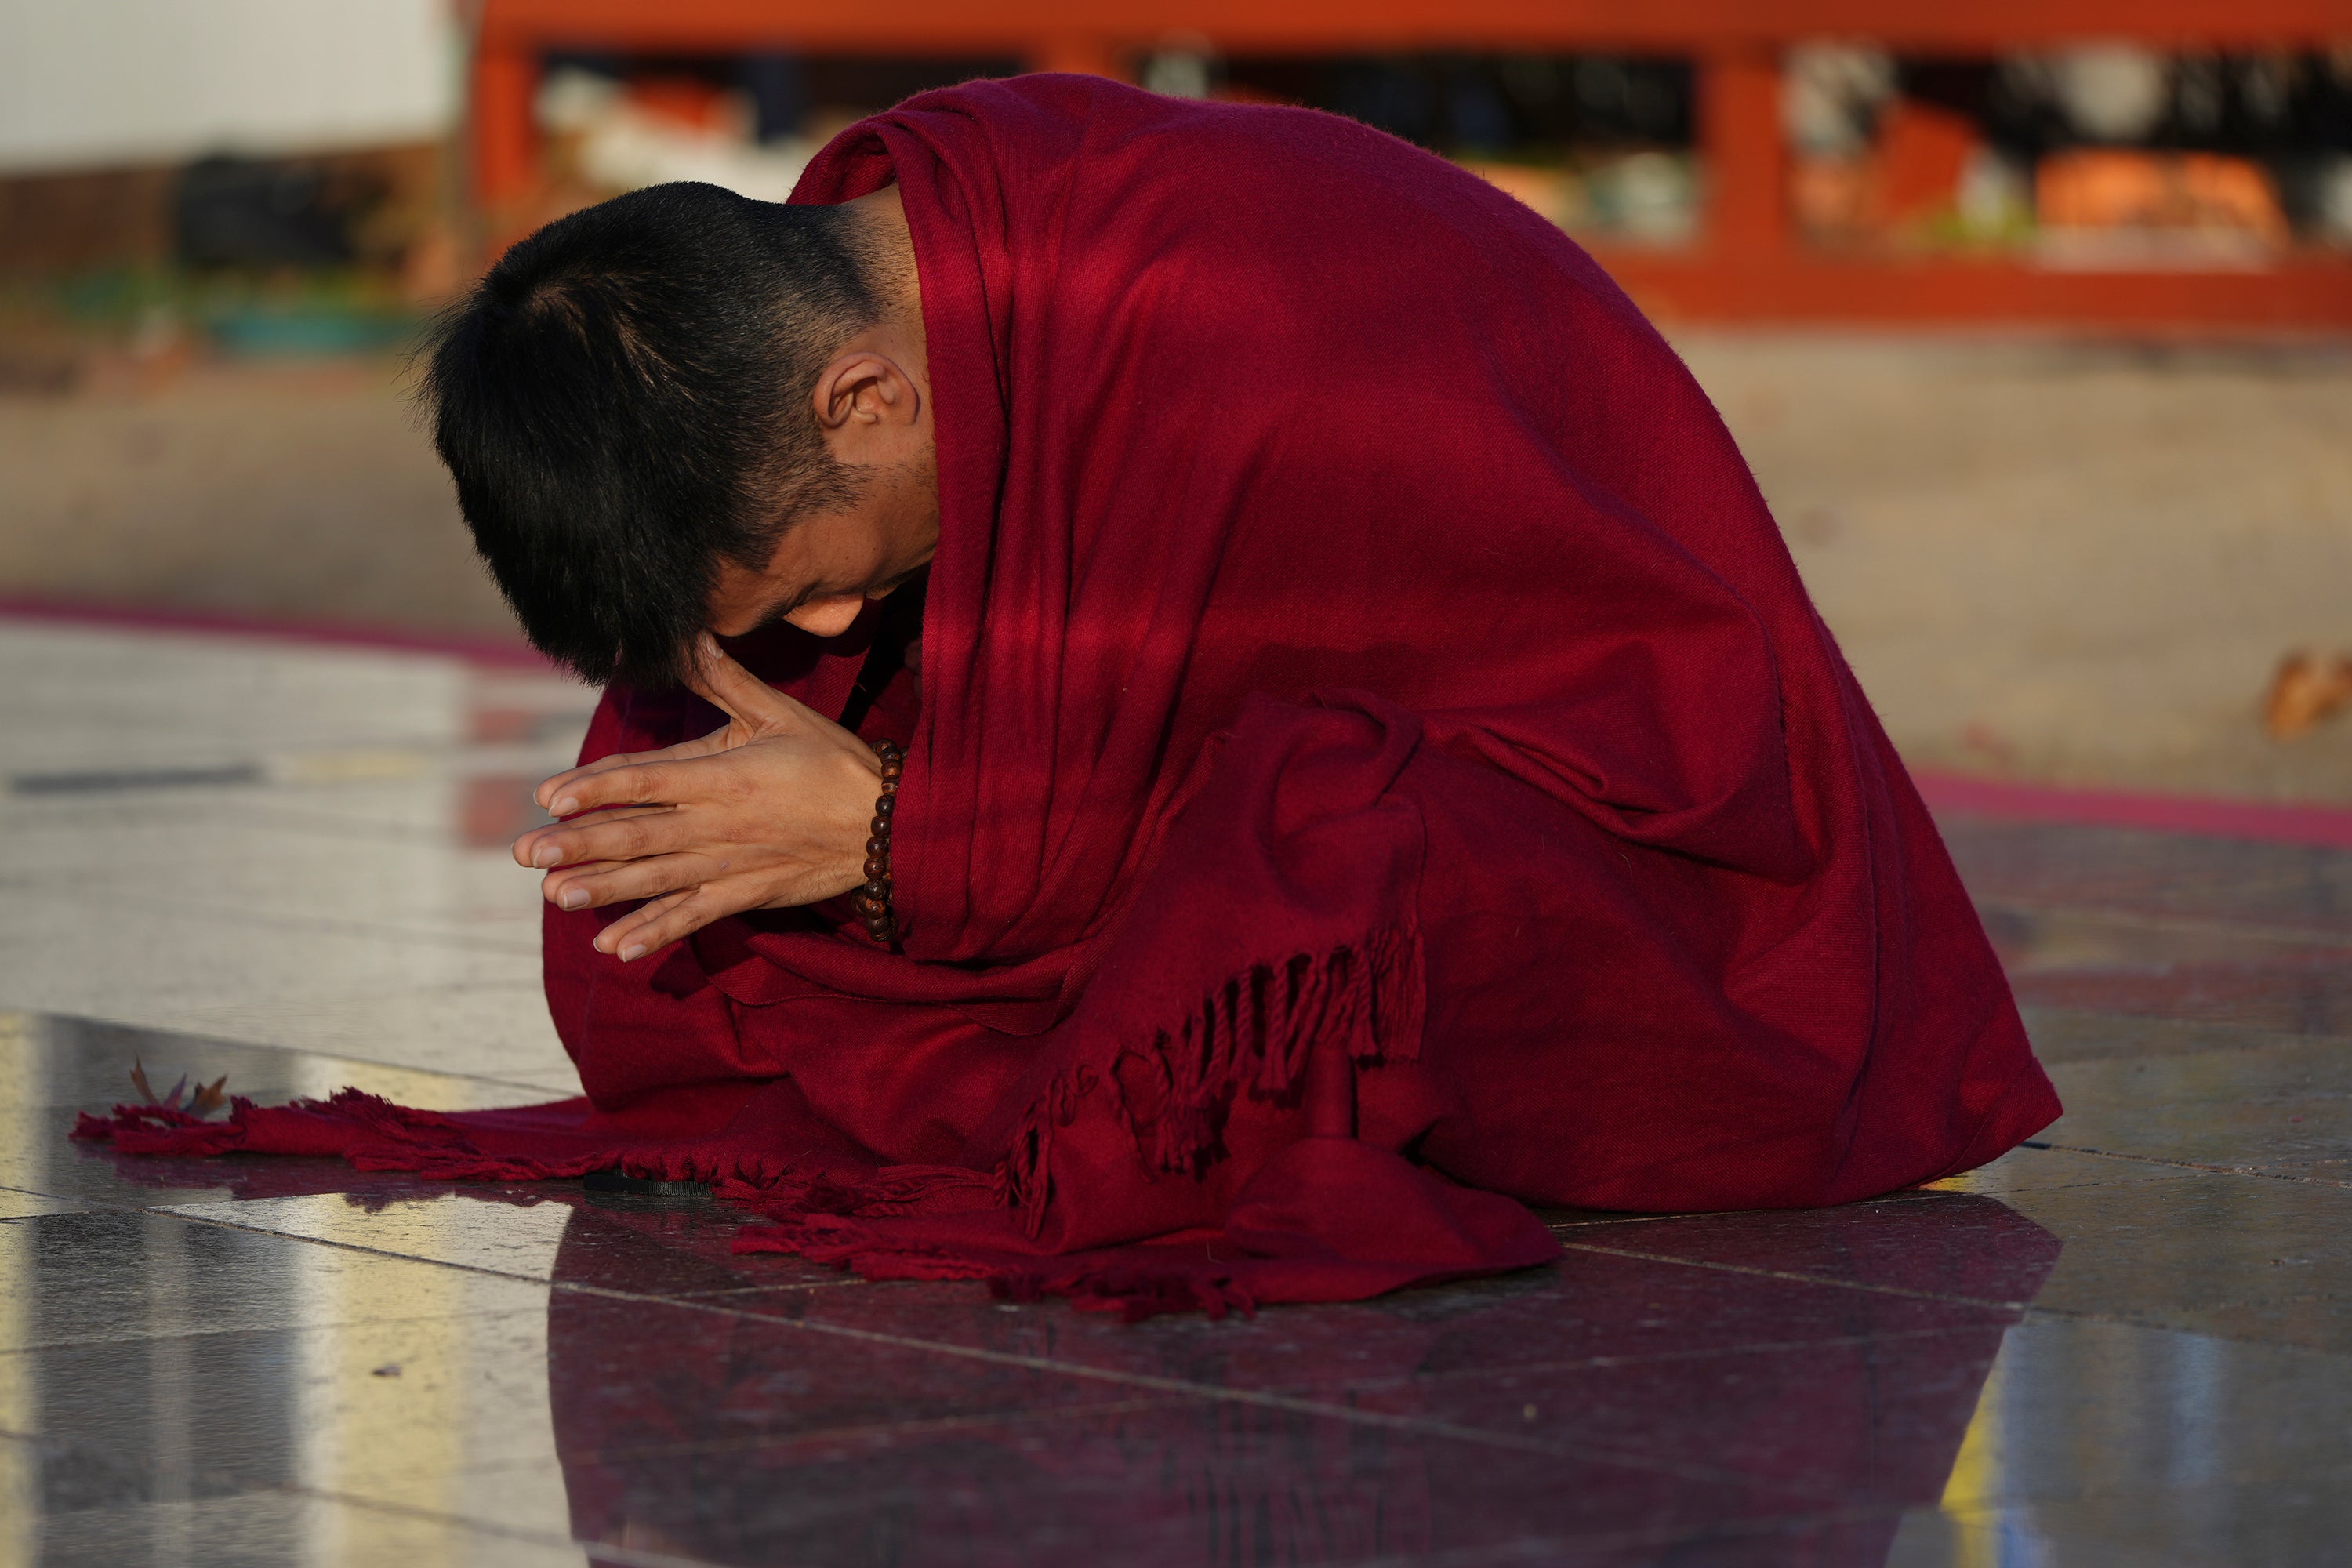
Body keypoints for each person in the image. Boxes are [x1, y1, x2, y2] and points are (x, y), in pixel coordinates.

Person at [80, 74, 2059, 1317]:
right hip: (1221, 773)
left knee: (1315, 853)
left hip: (1650, 872)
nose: (821, 616)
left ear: (860, 398)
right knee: (657, 862)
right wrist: (773, 769)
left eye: (804, 575)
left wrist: (881, 837)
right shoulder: (910, 272)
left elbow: (1263, 730)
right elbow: (1074, 694)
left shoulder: (1226, 316)